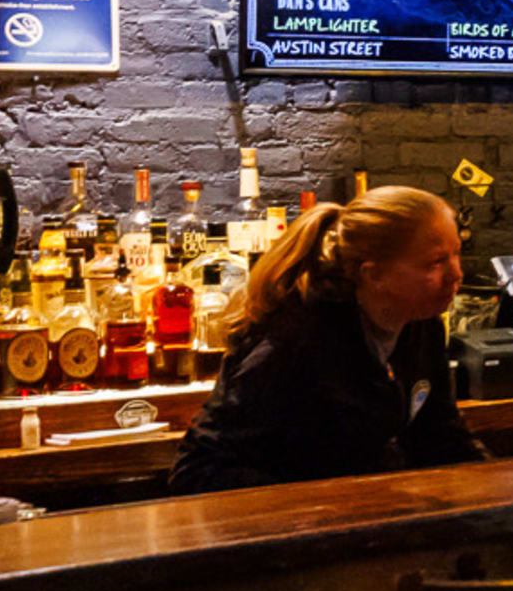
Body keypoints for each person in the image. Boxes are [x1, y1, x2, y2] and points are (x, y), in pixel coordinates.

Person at [166, 182, 482, 493]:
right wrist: (325, 504)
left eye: (456, 254)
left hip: (365, 527)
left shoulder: (420, 322)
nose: (457, 274)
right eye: (435, 263)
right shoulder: (294, 341)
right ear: (373, 274)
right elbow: (197, 470)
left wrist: (501, 494)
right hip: (289, 533)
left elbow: (439, 434)